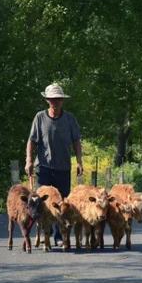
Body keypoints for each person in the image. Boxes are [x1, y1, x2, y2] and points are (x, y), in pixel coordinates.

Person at [25, 83, 83, 246]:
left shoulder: (69, 119)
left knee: (61, 202)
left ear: (62, 101)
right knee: (41, 202)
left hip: (63, 167)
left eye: (58, 99)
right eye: (52, 99)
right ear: (47, 101)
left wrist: (79, 162)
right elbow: (32, 141)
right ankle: (46, 232)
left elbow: (76, 141)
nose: (55, 102)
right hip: (43, 167)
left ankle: (59, 235)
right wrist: (29, 160)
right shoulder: (40, 117)